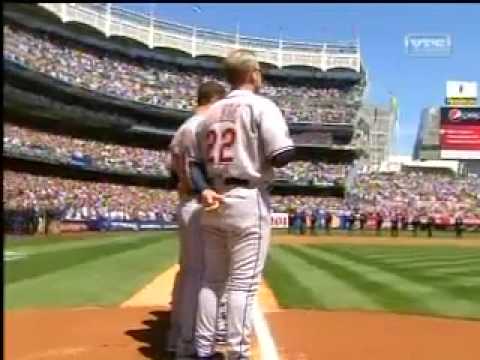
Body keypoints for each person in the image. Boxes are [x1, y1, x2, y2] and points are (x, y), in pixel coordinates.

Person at [189, 49, 295, 359]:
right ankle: (237, 352)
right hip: (247, 198)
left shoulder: (208, 113)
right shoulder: (262, 106)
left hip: (212, 199)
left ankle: (203, 350)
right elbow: (280, 155)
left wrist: (204, 189)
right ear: (252, 74)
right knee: (243, 285)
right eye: (259, 71)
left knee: (212, 280)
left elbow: (193, 164)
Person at [166, 81, 227, 357]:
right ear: (214, 100)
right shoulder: (200, 126)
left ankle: (178, 338)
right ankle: (189, 345)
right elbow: (195, 170)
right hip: (198, 200)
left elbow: (172, 173)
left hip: (186, 200)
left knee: (189, 272)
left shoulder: (182, 128)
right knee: (201, 275)